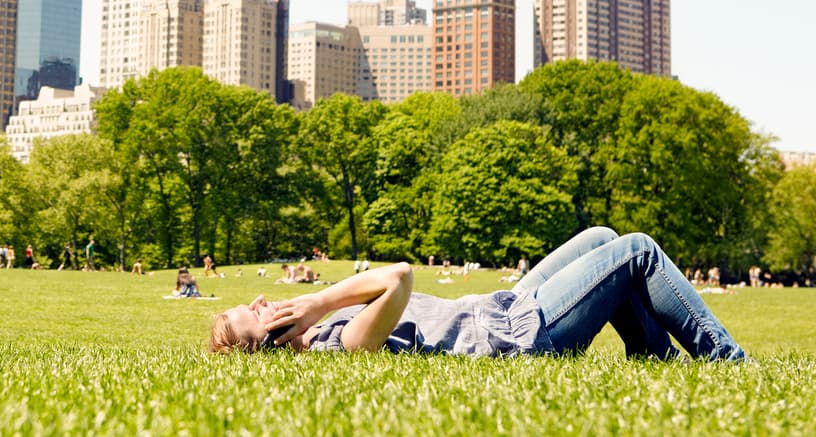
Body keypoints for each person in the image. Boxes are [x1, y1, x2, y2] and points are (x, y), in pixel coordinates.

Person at [209, 227, 747, 361]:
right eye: (256, 314)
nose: (259, 302)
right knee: (636, 252)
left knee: (602, 239)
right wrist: (318, 303)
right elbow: (398, 277)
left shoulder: (328, 323)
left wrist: (315, 302)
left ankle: (652, 357)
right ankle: (726, 360)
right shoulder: (339, 342)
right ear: (273, 339)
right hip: (517, 335)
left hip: (499, 306)